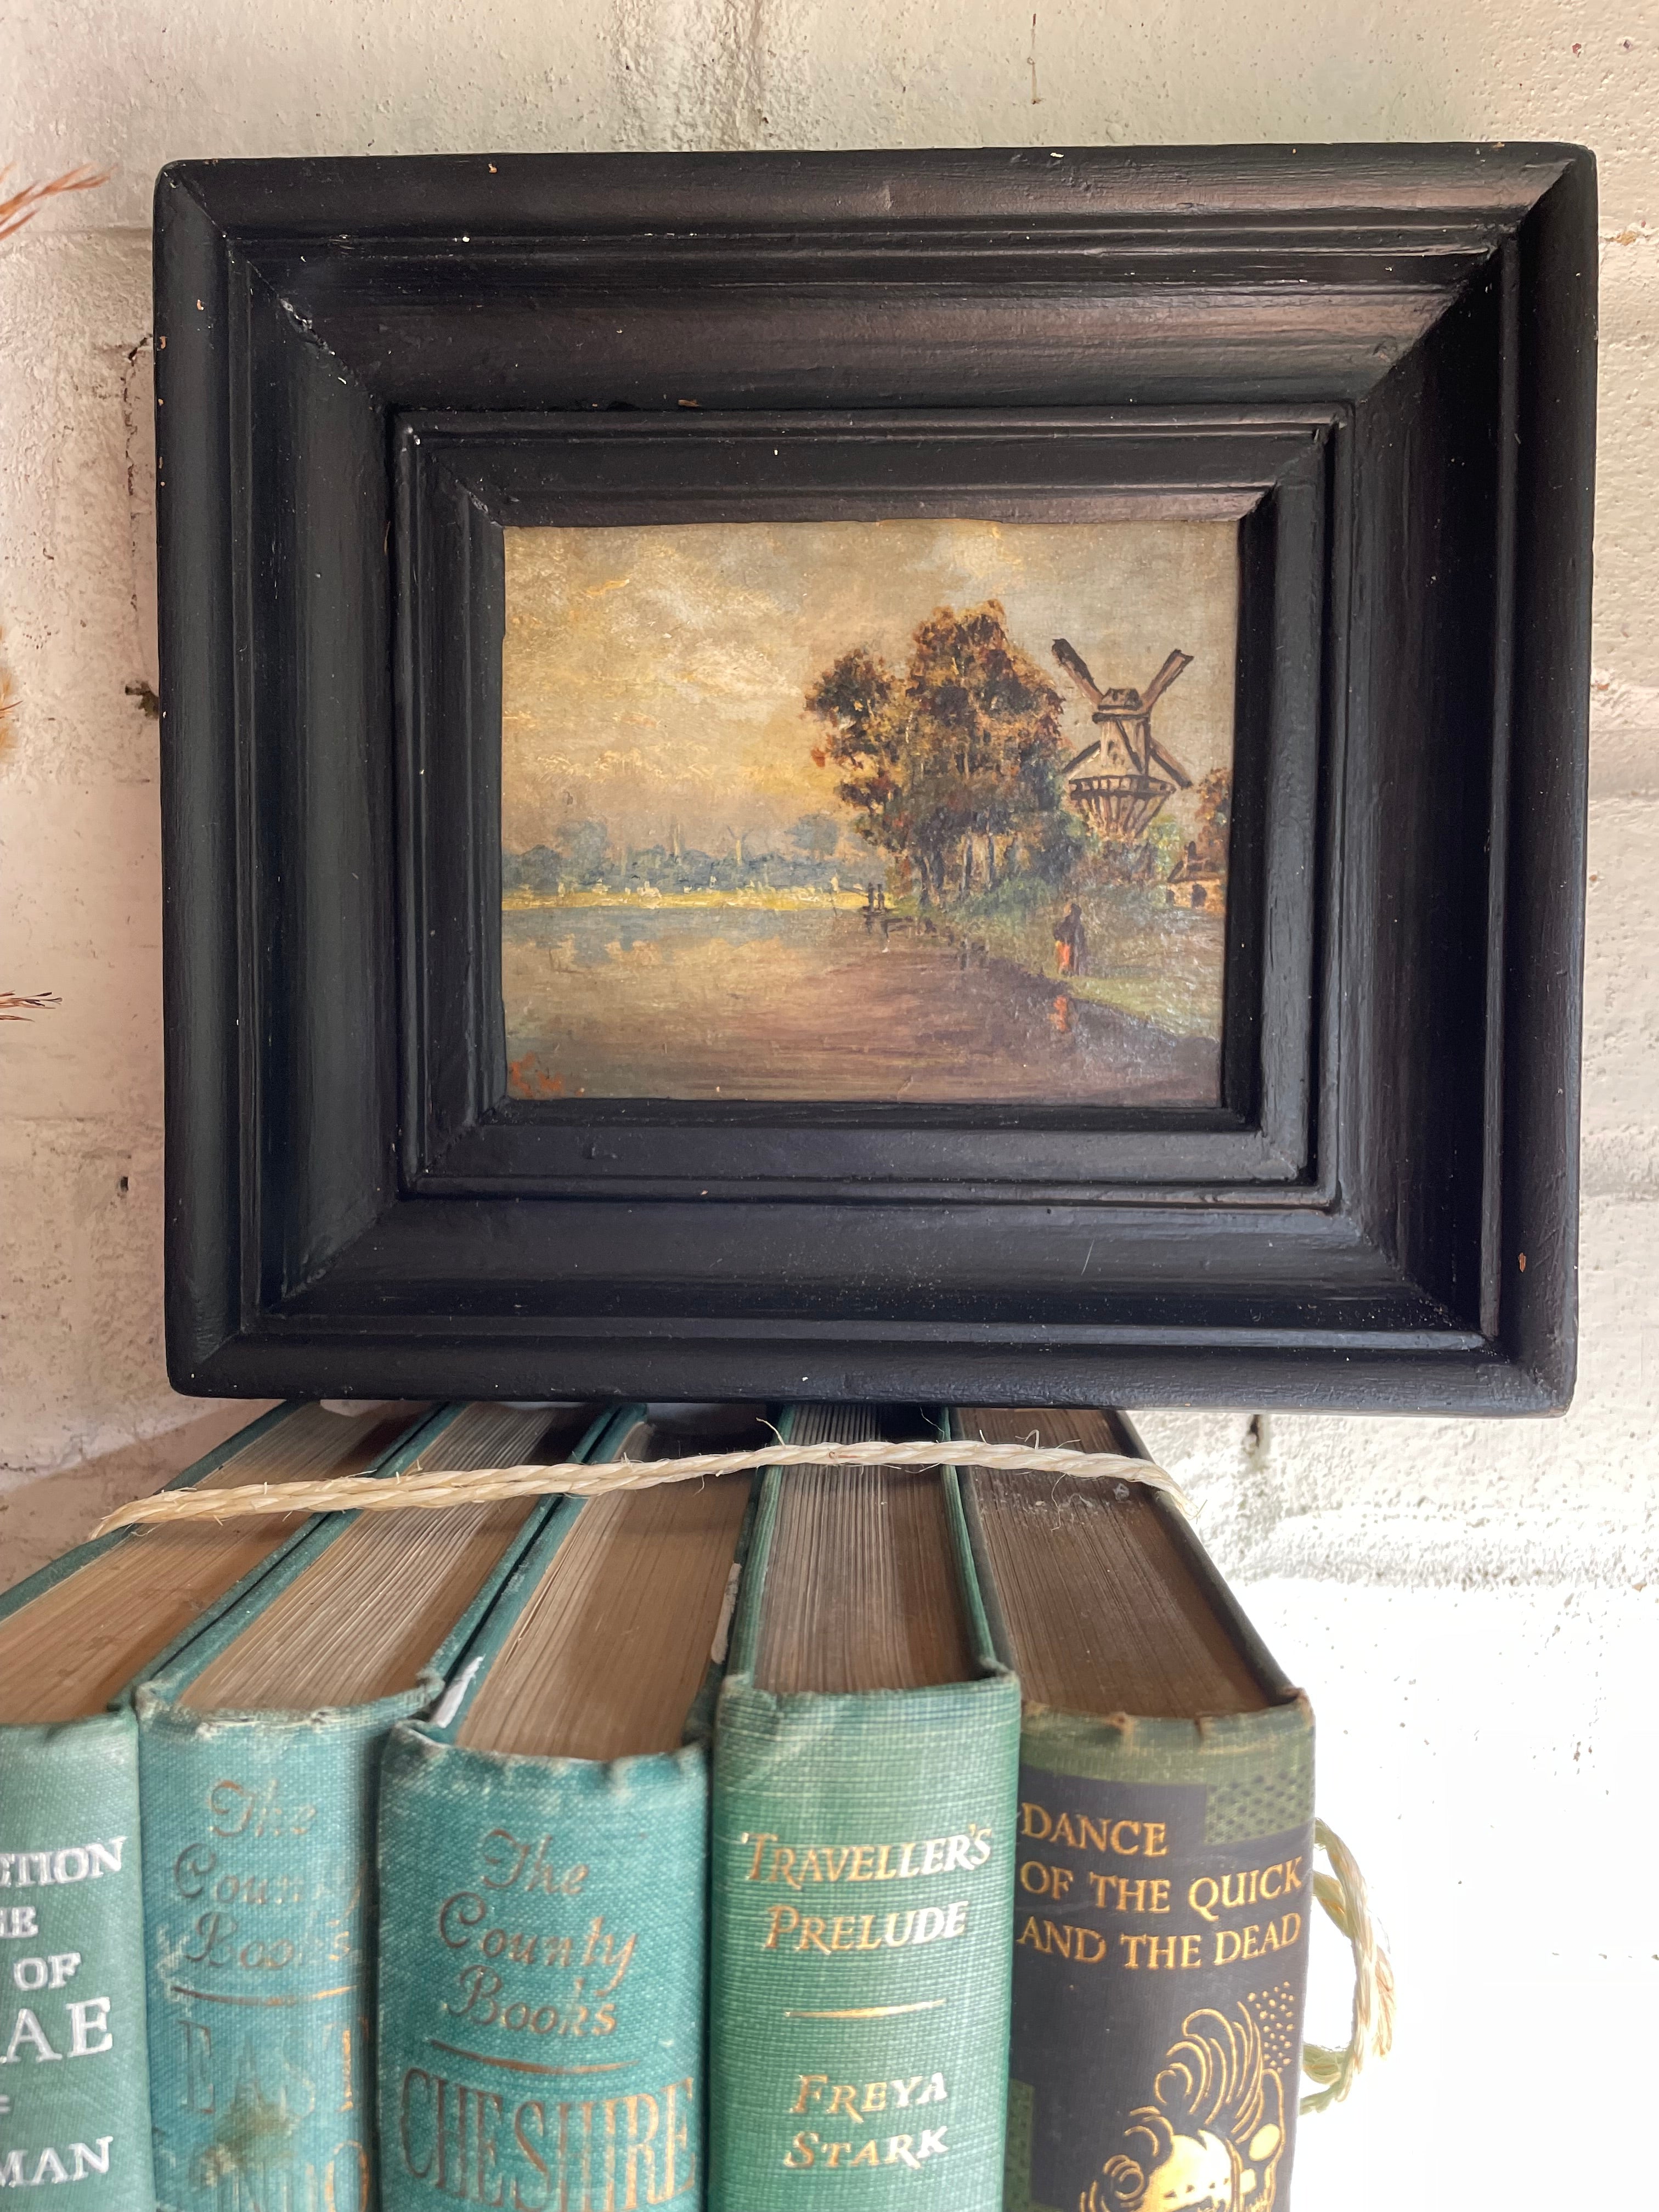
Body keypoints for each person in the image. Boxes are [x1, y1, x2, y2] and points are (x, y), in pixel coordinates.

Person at [1054, 899, 1086, 977]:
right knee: (1065, 956)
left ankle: (1072, 972)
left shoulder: (1078, 926)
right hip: (1066, 945)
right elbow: (1058, 933)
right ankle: (1066, 971)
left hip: (1072, 945)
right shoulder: (1064, 924)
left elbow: (1079, 940)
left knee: (1073, 955)